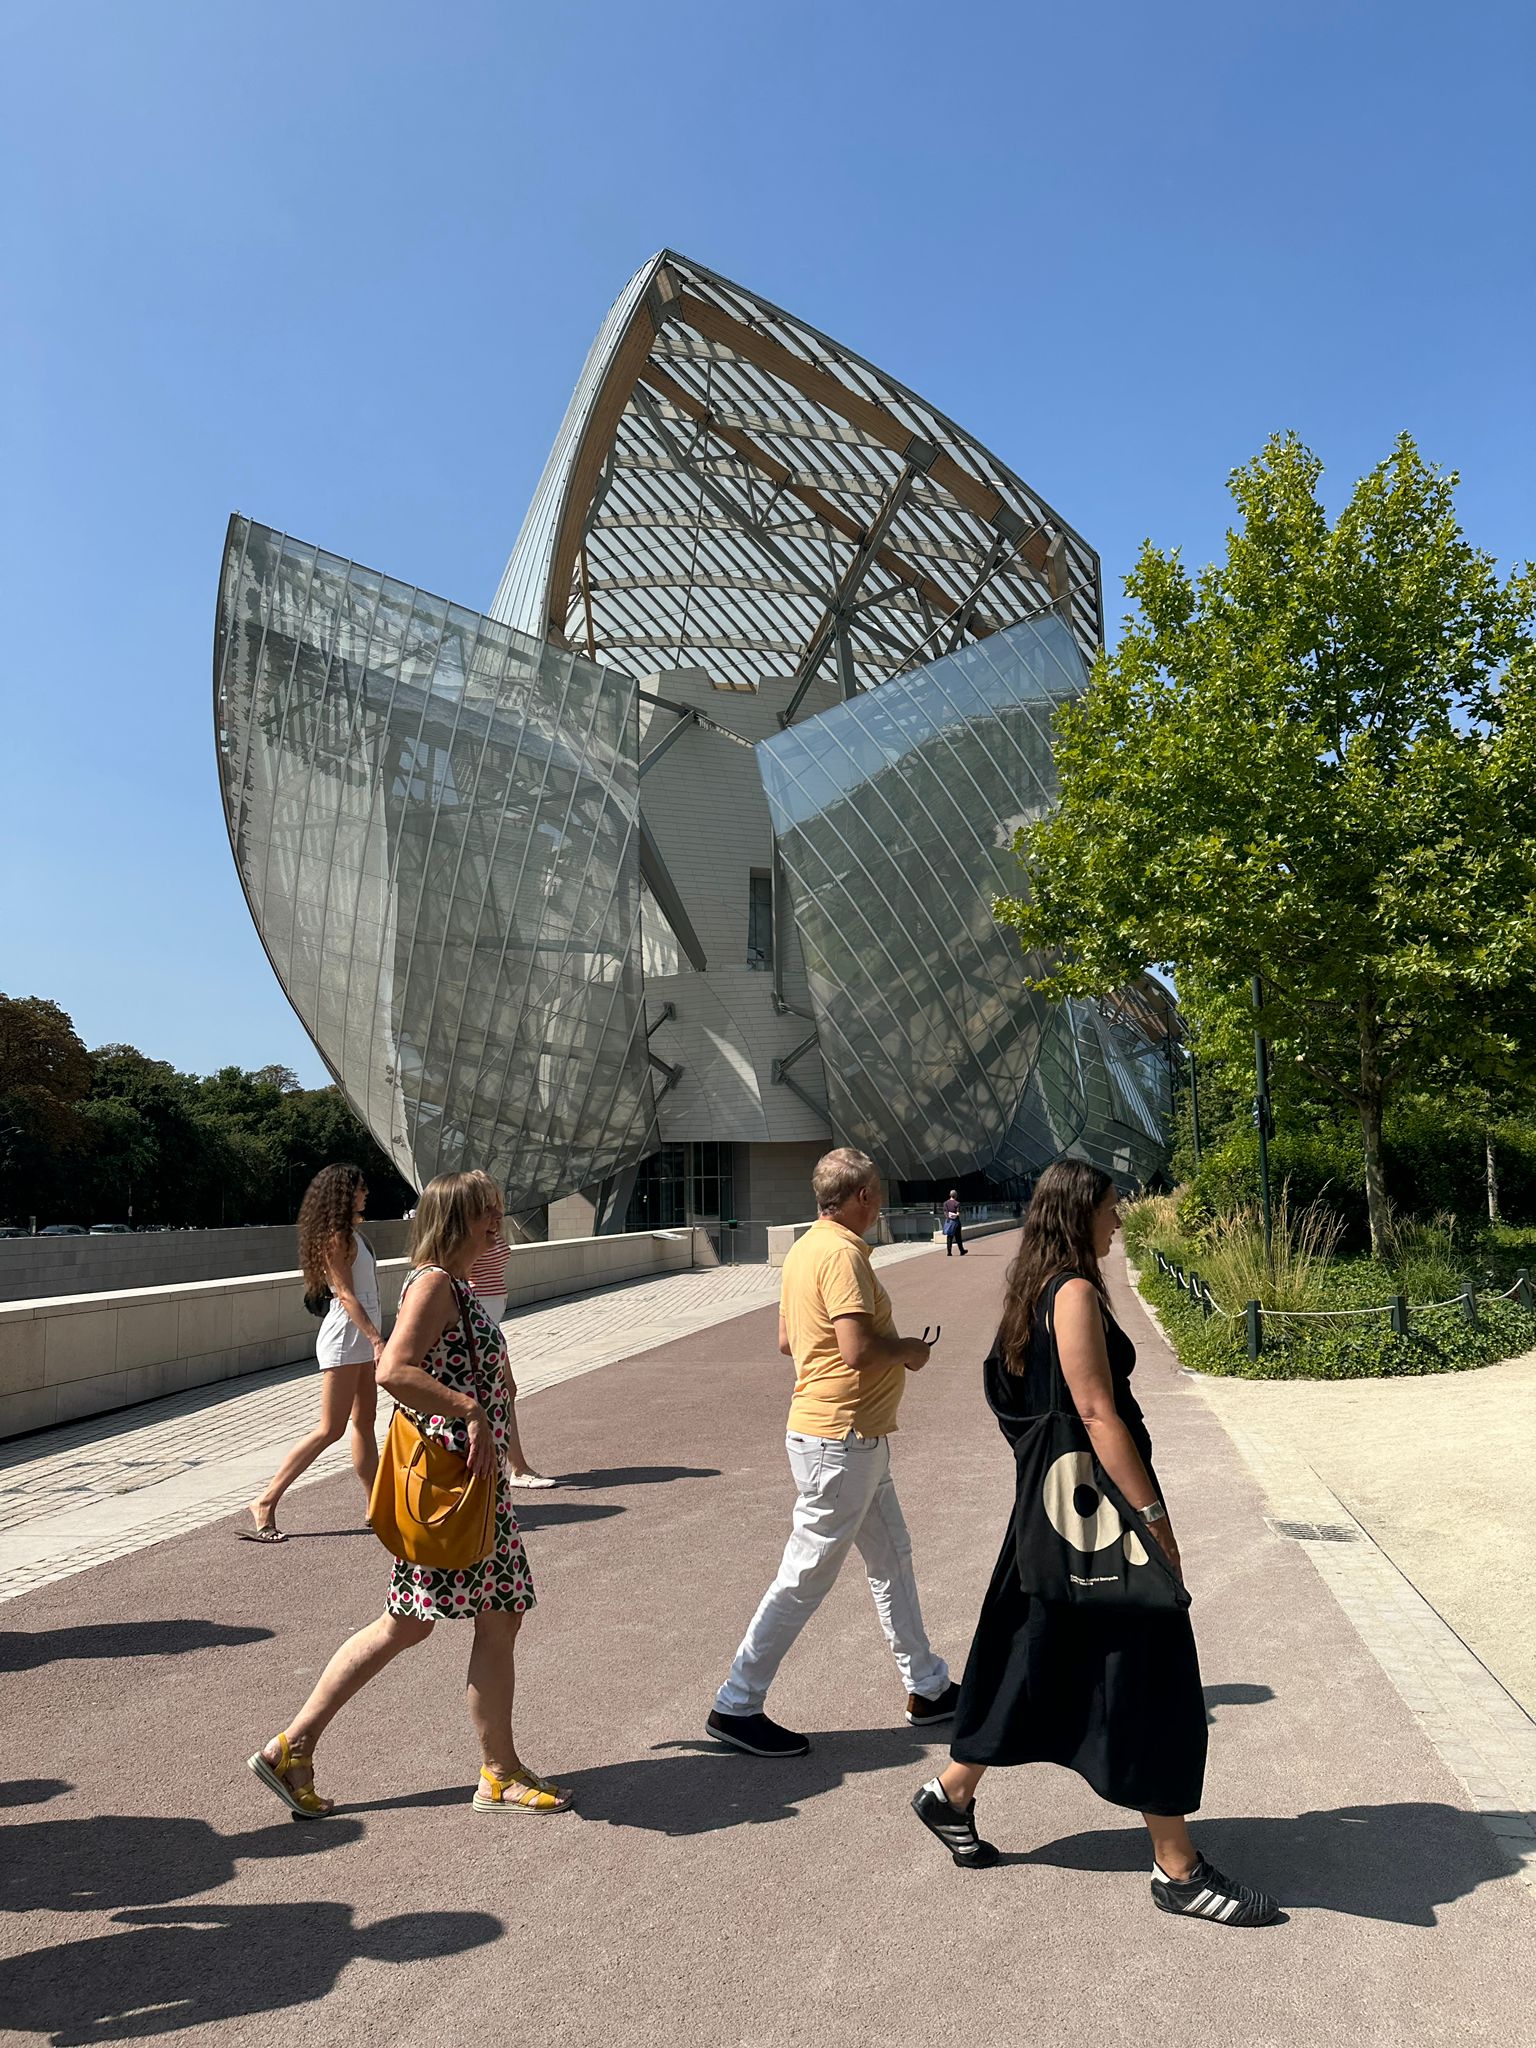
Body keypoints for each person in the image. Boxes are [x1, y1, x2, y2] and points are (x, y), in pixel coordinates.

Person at [909, 1159, 1279, 1927]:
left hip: (1050, 1523)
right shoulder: (1072, 1292)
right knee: (1152, 1670)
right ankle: (1177, 1870)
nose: (1119, 1220)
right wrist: (1153, 1520)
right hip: (1099, 1523)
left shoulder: (1031, 1292)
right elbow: (1096, 1413)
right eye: (1112, 1208)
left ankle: (950, 1792)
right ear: (1082, 1213)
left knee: (1030, 1655)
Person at [247, 1171, 573, 1817]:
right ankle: (492, 1773)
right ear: (456, 1217)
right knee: (427, 1621)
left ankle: (302, 1747)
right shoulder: (432, 1283)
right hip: (455, 1491)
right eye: (487, 1213)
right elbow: (395, 1369)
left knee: (471, 1616)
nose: (497, 1223)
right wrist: (470, 1410)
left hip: (471, 1492)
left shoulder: (452, 1283)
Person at [706, 1146, 959, 1758]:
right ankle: (736, 1703)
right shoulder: (843, 1254)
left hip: (844, 1435)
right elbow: (856, 1350)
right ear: (864, 1196)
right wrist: (909, 1352)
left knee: (891, 1556)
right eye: (877, 1193)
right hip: (842, 1437)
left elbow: (789, 1340)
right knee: (806, 1573)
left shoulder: (804, 1250)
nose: (880, 1203)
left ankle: (927, 1685)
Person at [243, 1164, 381, 1542]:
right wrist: (376, 1339)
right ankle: (266, 1501)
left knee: (365, 1422)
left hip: (360, 1336)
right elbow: (347, 1296)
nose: (365, 1192)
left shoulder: (353, 1234)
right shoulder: (336, 1238)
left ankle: (377, 1505)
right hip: (345, 1337)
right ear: (343, 1194)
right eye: (360, 1187)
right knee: (330, 1428)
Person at [463, 1171, 554, 1489]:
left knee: (505, 1389)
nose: (497, 1207)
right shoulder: (470, 1229)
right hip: (481, 1312)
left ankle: (511, 1466)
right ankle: (515, 1468)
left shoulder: (489, 1227)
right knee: (501, 1389)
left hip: (492, 1313)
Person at [942, 1190, 967, 1256]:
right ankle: (961, 1251)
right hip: (956, 1222)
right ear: (955, 1195)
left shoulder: (945, 1203)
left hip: (948, 1222)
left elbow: (945, 1213)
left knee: (949, 1237)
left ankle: (949, 1252)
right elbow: (958, 1214)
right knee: (958, 1237)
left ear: (950, 1195)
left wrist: (948, 1216)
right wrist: (955, 1215)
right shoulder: (957, 1203)